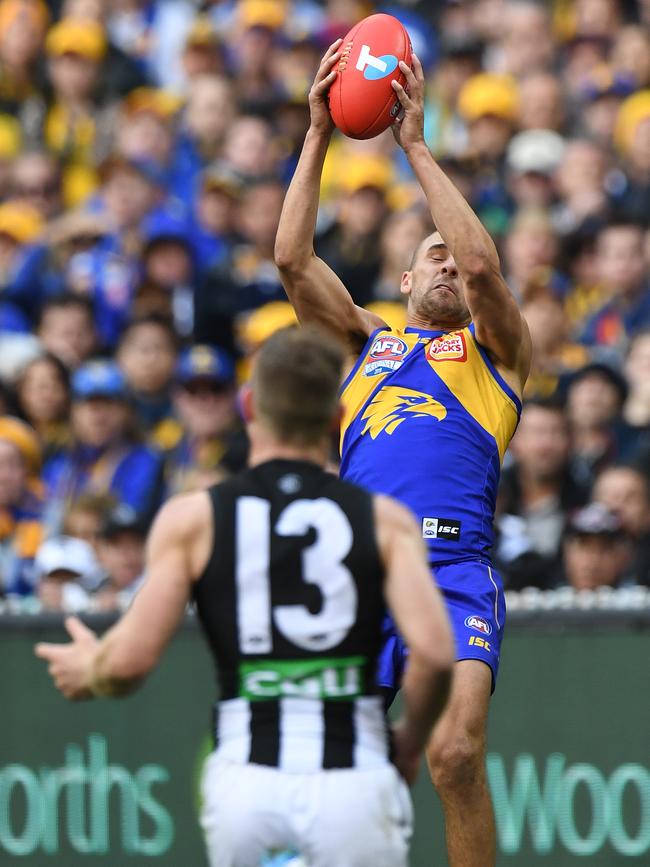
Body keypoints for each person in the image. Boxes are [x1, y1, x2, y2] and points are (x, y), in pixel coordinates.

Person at [35, 326, 454, 867]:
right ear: (335, 418)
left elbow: (130, 664)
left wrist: (91, 669)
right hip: (355, 774)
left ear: (249, 406)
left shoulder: (194, 518)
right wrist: (411, 740)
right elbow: (437, 654)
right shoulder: (385, 520)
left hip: (246, 781)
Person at [274, 43, 532, 867]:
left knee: (454, 755)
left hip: (453, 570)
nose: (451, 261)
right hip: (361, 572)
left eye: (454, 254)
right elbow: (290, 260)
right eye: (433, 254)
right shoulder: (363, 343)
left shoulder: (498, 354)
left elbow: (487, 263)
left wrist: (414, 146)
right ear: (402, 276)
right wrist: (317, 133)